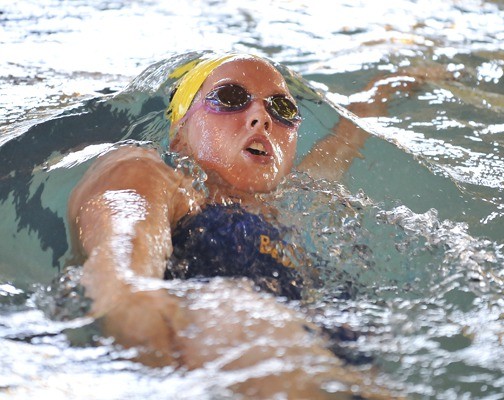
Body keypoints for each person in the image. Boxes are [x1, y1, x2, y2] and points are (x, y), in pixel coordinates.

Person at [67, 52, 393, 398]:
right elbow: (123, 271)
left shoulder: (285, 208)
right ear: (180, 132)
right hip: (211, 356)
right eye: (230, 98)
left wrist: (389, 86)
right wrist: (136, 311)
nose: (261, 118)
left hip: (330, 364)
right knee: (229, 305)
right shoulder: (151, 173)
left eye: (282, 109)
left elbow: (346, 139)